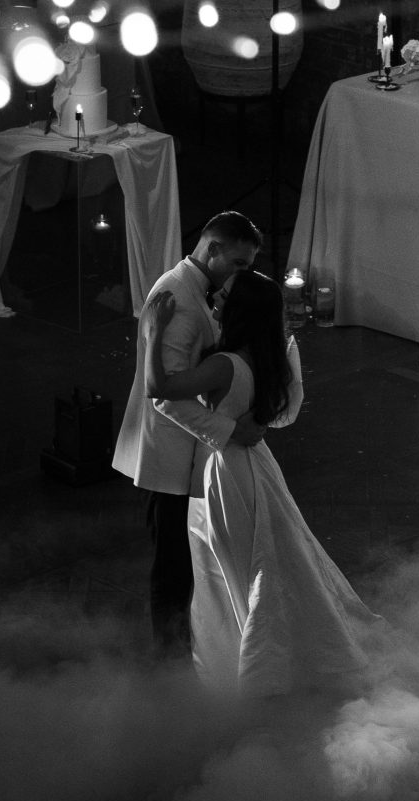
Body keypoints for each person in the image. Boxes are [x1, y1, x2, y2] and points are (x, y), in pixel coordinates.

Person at [146, 271, 374, 697]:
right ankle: (269, 654)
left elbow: (159, 388)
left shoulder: (225, 364)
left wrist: (154, 332)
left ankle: (255, 664)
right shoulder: (265, 359)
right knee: (263, 557)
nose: (215, 299)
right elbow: (287, 409)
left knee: (235, 566)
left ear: (240, 311)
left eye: (224, 296)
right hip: (259, 465)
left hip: (229, 471)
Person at [112, 213, 270, 657]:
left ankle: (190, 647)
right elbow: (164, 396)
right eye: (238, 264)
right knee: (173, 564)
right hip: (170, 453)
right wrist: (231, 430)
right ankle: (171, 659)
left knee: (186, 560)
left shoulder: (195, 291)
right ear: (213, 249)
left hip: (188, 451)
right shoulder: (178, 299)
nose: (241, 275)